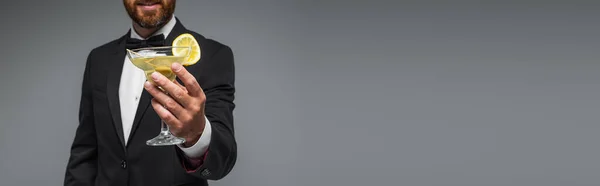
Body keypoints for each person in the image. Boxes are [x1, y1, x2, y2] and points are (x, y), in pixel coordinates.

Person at [64, 0, 237, 185]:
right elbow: (84, 152)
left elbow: (221, 162)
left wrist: (196, 135)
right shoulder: (98, 59)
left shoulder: (212, 55)